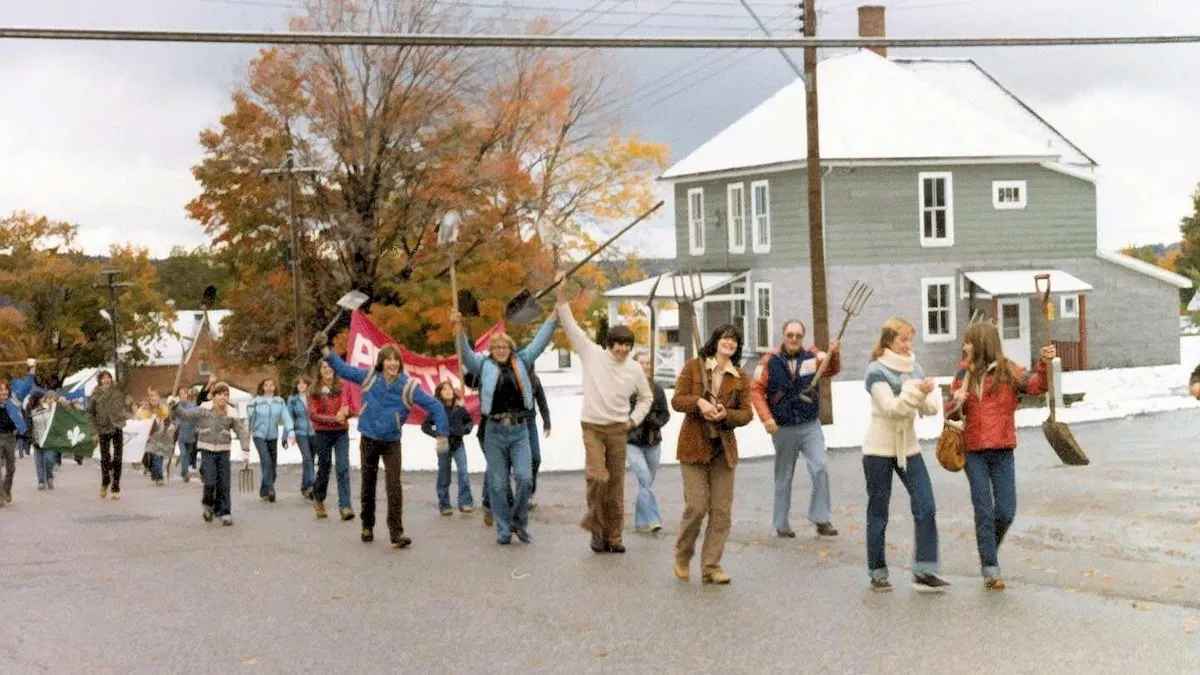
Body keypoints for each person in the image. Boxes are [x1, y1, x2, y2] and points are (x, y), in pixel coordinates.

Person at [316, 334, 450, 548]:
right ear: (381, 362)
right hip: (369, 436)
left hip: (391, 441)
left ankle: (396, 533)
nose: (392, 363)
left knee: (394, 487)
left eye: (395, 359)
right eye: (388, 359)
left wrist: (442, 434)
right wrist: (325, 349)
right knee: (368, 484)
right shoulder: (369, 377)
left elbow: (435, 406)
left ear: (400, 363)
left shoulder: (408, 386)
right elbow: (342, 370)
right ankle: (367, 525)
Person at [950, 321, 1054, 591]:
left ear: (982, 344)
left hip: (1003, 449)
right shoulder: (963, 375)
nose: (964, 347)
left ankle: (988, 551)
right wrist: (956, 402)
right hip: (973, 451)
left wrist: (1045, 363)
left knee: (1006, 510)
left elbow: (1036, 386)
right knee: (984, 509)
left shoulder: (1008, 371)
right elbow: (950, 413)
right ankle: (990, 569)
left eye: (969, 342)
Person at [555, 275, 652, 554]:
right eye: (617, 344)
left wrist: (633, 420)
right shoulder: (592, 355)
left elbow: (646, 398)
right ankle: (596, 528)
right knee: (598, 477)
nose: (622, 349)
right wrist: (561, 295)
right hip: (593, 427)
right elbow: (571, 326)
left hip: (618, 429)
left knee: (616, 486)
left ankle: (613, 536)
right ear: (609, 344)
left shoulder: (634, 369)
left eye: (627, 345)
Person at [452, 306, 558, 545]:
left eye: (504, 347)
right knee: (498, 485)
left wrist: (553, 318)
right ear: (491, 350)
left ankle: (518, 523)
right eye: (496, 347)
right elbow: (466, 355)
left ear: (511, 348)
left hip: (520, 429)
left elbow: (540, 341)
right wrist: (458, 330)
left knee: (524, 479)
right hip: (494, 431)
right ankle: (503, 529)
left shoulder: (523, 360)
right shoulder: (483, 365)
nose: (501, 350)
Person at [862, 317, 949, 592]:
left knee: (926, 505)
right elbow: (892, 408)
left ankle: (924, 570)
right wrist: (916, 392)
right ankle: (877, 571)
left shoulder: (916, 368)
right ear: (889, 340)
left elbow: (932, 409)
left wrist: (925, 394)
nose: (908, 345)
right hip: (879, 450)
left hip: (908, 447)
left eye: (911, 339)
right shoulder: (875, 371)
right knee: (879, 511)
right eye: (903, 339)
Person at [671, 324, 754, 583]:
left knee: (721, 511)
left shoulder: (739, 376)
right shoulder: (694, 367)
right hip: (693, 447)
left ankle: (711, 566)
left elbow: (747, 414)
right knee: (697, 505)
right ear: (716, 340)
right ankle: (683, 555)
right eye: (726, 338)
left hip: (722, 451)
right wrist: (699, 402)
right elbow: (677, 400)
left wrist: (725, 415)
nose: (730, 343)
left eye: (735, 341)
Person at [750, 319, 842, 538]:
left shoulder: (813, 354)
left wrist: (834, 353)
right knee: (784, 475)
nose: (793, 339)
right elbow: (755, 390)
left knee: (820, 467)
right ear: (783, 335)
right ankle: (781, 523)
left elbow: (830, 369)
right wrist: (766, 418)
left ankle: (821, 519)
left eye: (798, 336)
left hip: (810, 424)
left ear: (803, 338)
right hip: (783, 427)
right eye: (789, 335)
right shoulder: (768, 360)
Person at [174, 382, 252, 525]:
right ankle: (208, 505)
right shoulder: (204, 410)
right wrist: (175, 406)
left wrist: (245, 449)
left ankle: (225, 512)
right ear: (214, 396)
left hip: (224, 450)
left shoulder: (231, 412)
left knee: (224, 482)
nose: (224, 397)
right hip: (207, 450)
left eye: (226, 394)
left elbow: (241, 431)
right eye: (220, 394)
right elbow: (186, 416)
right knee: (210, 481)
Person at [627, 350, 671, 533]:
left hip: (653, 442)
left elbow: (665, 415)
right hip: (632, 442)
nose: (645, 367)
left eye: (647, 363)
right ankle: (653, 519)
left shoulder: (657, 389)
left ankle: (639, 521)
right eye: (641, 363)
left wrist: (654, 421)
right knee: (644, 479)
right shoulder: (627, 389)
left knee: (646, 483)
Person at [308, 360, 355, 521]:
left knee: (342, 467)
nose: (327, 370)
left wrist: (346, 413)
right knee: (324, 466)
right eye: (324, 367)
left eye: (330, 367)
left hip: (341, 432)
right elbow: (313, 414)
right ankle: (319, 498)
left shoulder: (342, 386)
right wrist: (333, 419)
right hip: (322, 433)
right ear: (319, 370)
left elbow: (350, 407)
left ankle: (345, 506)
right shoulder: (314, 390)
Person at [421, 381, 475, 515]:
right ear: (439, 393)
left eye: (450, 389)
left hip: (458, 444)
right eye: (444, 390)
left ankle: (465, 502)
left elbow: (469, 421)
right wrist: (437, 434)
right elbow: (425, 426)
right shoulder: (436, 409)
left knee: (463, 473)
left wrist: (464, 430)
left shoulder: (459, 408)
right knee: (444, 476)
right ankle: (444, 505)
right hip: (443, 445)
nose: (448, 391)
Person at [247, 378, 295, 503]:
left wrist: (290, 431)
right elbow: (249, 417)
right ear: (262, 387)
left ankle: (264, 490)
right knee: (266, 461)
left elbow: (286, 417)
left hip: (273, 436)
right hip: (259, 435)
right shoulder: (256, 401)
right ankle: (271, 489)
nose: (269, 387)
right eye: (266, 385)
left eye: (271, 385)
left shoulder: (280, 402)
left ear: (274, 387)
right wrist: (247, 430)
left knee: (273, 467)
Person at [86, 370, 127, 500]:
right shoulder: (95, 395)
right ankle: (105, 481)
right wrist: (94, 431)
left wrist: (123, 362)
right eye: (103, 378)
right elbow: (90, 414)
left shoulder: (116, 390)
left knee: (118, 458)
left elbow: (126, 377)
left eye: (108, 377)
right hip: (103, 429)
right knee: (105, 458)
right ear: (100, 381)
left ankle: (116, 487)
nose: (106, 380)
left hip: (116, 426)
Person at [287, 377, 317, 500]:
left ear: (308, 385)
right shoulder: (292, 400)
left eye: (304, 383)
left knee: (309, 460)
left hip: (314, 431)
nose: (301, 385)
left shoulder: (313, 397)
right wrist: (290, 433)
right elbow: (289, 417)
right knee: (308, 458)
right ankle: (312, 486)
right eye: (299, 383)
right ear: (296, 385)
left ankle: (305, 487)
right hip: (300, 432)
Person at [136, 387, 173, 487]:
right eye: (152, 400)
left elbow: (168, 419)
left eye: (156, 400)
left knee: (159, 457)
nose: (154, 402)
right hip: (151, 438)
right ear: (150, 401)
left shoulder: (163, 409)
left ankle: (159, 478)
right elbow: (145, 422)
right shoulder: (146, 411)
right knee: (153, 458)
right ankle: (155, 475)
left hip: (161, 437)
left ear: (159, 399)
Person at [0, 378, 29, 505]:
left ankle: (6, 490)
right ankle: (0, 496)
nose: (4, 392)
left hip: (10, 438)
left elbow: (26, 387)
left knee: (11, 468)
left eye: (5, 389)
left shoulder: (13, 402)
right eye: (1, 390)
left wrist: (32, 370)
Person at [526, 367, 551, 509]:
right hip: (515, 424)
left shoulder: (534, 380)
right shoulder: (512, 376)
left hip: (530, 423)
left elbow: (542, 402)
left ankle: (530, 492)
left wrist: (547, 422)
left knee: (535, 459)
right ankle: (521, 495)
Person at [28, 391, 58, 491]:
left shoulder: (49, 408)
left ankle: (49, 477)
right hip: (37, 440)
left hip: (49, 440)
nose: (43, 399)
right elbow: (28, 425)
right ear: (37, 399)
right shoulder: (31, 411)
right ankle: (41, 481)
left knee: (49, 460)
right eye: (41, 397)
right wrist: (30, 439)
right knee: (39, 462)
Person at [173, 386, 200, 482]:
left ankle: (184, 468)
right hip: (181, 434)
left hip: (191, 434)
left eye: (184, 393)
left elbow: (196, 416)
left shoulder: (192, 405)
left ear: (186, 394)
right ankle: (185, 472)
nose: (182, 396)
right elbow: (173, 417)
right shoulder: (176, 406)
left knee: (187, 454)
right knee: (184, 453)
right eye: (180, 394)